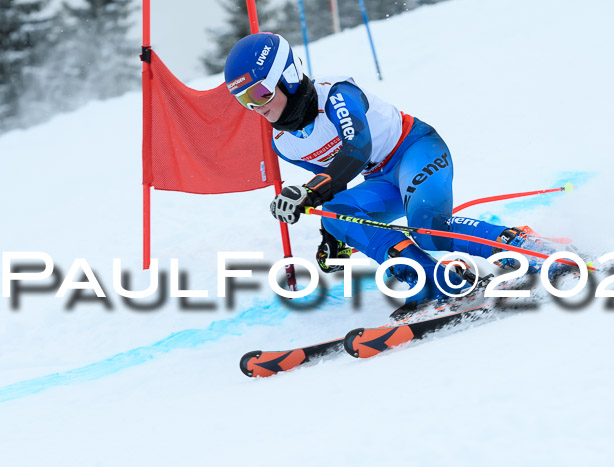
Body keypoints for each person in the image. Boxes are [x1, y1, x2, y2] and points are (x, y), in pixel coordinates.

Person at [224, 33, 556, 306]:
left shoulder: (337, 94)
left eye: (260, 92)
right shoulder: (285, 142)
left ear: (289, 77)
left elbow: (356, 151)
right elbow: (335, 182)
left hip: (416, 149)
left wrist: (309, 192)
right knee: (336, 215)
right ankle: (431, 280)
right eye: (244, 100)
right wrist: (333, 235)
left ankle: (523, 246)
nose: (257, 107)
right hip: (381, 179)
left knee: (427, 227)